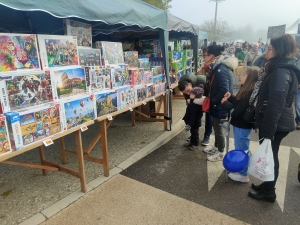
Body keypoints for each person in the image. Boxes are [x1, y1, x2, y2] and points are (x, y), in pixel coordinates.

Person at [248, 34, 300, 202]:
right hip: (274, 121)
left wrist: (268, 132)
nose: (265, 52)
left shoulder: (281, 72)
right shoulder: (278, 68)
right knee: (271, 155)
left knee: (271, 156)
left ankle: (269, 192)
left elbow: (275, 104)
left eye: (269, 49)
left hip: (275, 124)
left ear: (280, 50)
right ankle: (267, 185)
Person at [221, 66, 259, 182]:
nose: (240, 76)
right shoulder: (246, 90)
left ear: (250, 78)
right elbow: (239, 104)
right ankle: (240, 169)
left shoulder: (249, 92)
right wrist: (231, 98)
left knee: (242, 150)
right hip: (241, 125)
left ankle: (243, 174)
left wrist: (225, 103)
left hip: (242, 126)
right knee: (241, 148)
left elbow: (236, 112)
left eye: (243, 75)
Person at [201, 45, 237, 162]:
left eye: (204, 55)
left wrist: (213, 101)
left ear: (211, 56)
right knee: (215, 127)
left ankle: (220, 151)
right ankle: (216, 147)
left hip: (221, 104)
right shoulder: (217, 67)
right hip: (218, 103)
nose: (203, 57)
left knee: (218, 128)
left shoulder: (221, 69)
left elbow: (223, 90)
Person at [180, 83, 204, 151]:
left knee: (195, 133)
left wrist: (189, 125)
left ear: (196, 96)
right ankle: (191, 142)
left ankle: (196, 144)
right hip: (192, 122)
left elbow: (193, 116)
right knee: (192, 133)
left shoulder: (196, 104)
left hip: (194, 123)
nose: (189, 94)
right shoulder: (193, 102)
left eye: (192, 94)